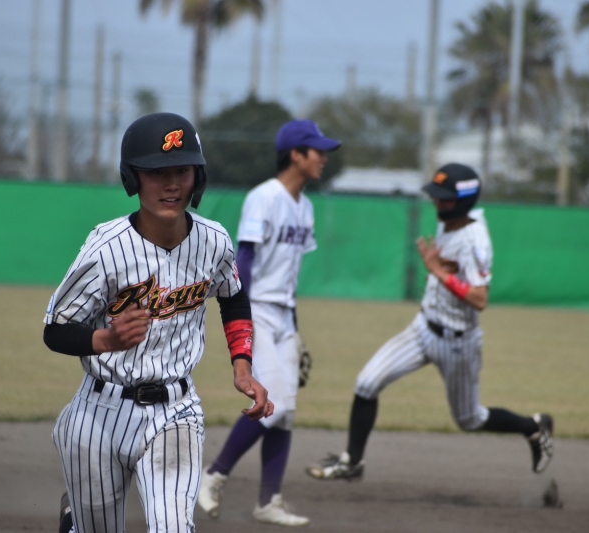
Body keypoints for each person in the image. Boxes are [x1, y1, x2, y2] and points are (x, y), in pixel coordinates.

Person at [43, 112, 273, 533]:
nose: (171, 185)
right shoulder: (106, 248)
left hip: (176, 412)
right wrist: (106, 339)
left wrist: (243, 367)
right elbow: (56, 330)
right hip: (98, 412)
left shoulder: (214, 241)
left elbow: (233, 297)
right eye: (157, 173)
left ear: (197, 176)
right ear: (133, 177)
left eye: (182, 171)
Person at [306, 163, 554, 482]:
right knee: (366, 383)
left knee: (470, 419)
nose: (436, 201)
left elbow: (480, 298)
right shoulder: (449, 222)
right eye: (436, 195)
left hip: (458, 342)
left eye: (444, 197)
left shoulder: (475, 240)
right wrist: (443, 273)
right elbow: (453, 271)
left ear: (463, 201)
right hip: (423, 328)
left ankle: (533, 427)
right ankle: (353, 461)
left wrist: (439, 273)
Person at [196, 120, 341, 526]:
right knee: (274, 405)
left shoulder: (305, 206)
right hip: (256, 308)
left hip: (284, 317)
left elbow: (289, 276)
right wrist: (242, 318)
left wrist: (295, 333)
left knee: (287, 412)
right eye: (318, 151)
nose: (324, 158)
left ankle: (269, 501)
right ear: (296, 154)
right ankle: (214, 475)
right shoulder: (264, 197)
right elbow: (245, 260)